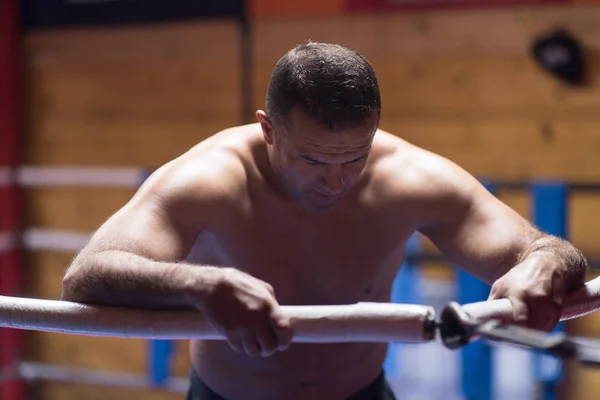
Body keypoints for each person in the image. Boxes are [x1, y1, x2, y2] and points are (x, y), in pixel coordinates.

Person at [61, 41, 588, 400]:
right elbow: (88, 274)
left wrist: (542, 264)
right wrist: (200, 284)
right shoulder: (208, 180)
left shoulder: (408, 175)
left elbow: (539, 248)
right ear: (268, 130)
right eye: (313, 160)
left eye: (354, 157)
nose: (335, 181)